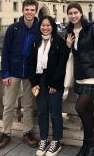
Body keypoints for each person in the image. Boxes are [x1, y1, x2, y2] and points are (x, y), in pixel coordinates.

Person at [65, 3, 94, 156]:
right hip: (80, 77)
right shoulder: (69, 31)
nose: (73, 16)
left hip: (93, 76)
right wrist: (68, 46)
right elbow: (71, 56)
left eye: (75, 12)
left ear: (81, 13)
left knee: (80, 107)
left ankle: (90, 144)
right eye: (70, 13)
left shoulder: (92, 29)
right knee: (87, 111)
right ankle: (88, 145)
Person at [0, 0, 40, 150]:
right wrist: (5, 73)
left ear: (36, 11)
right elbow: (5, 51)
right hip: (13, 72)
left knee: (28, 105)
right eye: (27, 9)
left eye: (32, 10)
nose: (29, 12)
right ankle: (5, 133)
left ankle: (27, 132)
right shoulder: (13, 28)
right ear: (22, 11)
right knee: (8, 104)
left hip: (29, 74)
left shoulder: (39, 29)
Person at [28, 16, 69, 156]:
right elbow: (31, 63)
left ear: (53, 26)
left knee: (55, 113)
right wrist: (34, 83)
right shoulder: (36, 41)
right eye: (43, 25)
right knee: (42, 112)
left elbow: (62, 64)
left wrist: (55, 83)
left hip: (54, 82)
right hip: (40, 82)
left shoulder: (59, 42)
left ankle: (56, 141)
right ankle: (44, 139)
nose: (45, 28)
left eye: (48, 25)